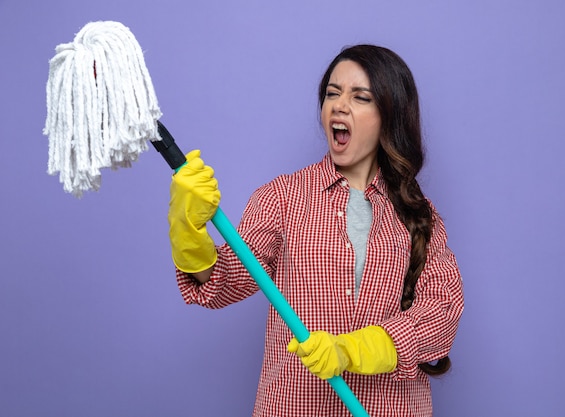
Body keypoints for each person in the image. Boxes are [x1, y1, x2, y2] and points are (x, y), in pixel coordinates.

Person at [167, 44, 464, 417]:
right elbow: (223, 282)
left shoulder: (420, 215)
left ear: (390, 115)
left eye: (361, 97)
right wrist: (187, 227)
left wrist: (353, 350)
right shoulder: (282, 198)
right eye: (332, 94)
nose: (339, 105)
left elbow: (442, 313)